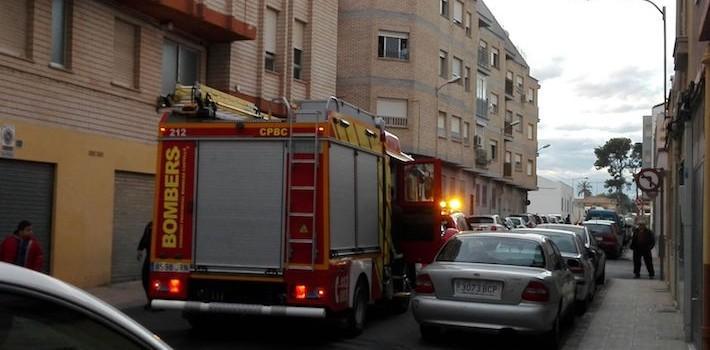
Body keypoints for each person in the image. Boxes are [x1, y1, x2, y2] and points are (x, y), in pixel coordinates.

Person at [137, 221, 152, 309]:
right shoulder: (150, 225)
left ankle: (155, 302)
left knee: (152, 280)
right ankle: (150, 300)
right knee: (145, 279)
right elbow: (144, 238)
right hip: (149, 256)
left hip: (160, 258)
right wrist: (140, 249)